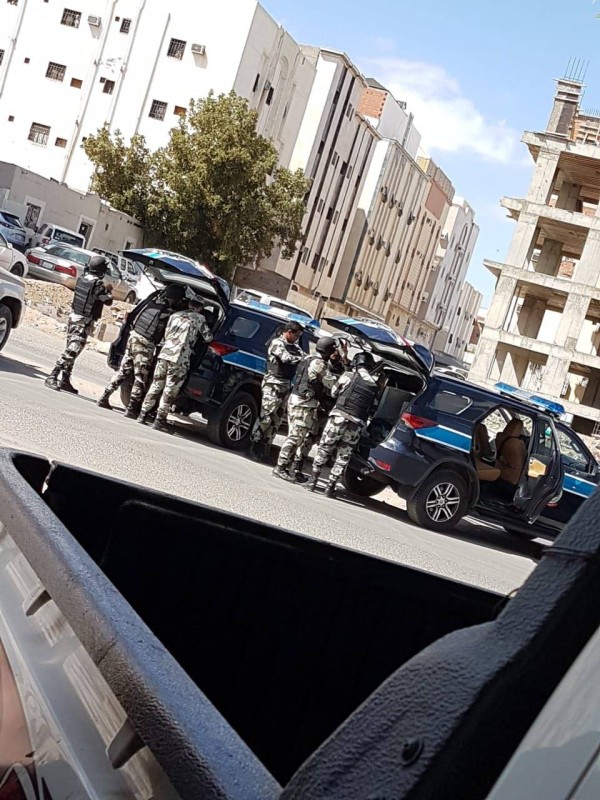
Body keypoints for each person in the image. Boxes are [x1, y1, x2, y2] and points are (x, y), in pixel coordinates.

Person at [97, 283, 186, 418]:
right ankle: (132, 408)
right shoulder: (167, 311)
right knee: (140, 377)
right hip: (145, 344)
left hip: (133, 338)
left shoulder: (152, 302)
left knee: (123, 371)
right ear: (176, 298)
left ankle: (104, 397)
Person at [308, 350, 383, 497]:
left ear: (356, 363)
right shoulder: (374, 386)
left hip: (338, 417)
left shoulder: (349, 375)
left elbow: (334, 392)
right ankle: (330, 488)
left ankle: (313, 481)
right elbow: (373, 405)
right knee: (343, 456)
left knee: (325, 448)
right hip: (356, 424)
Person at [138, 297, 213, 432]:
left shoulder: (175, 315)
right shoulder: (199, 318)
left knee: (156, 385)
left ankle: (143, 414)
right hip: (179, 358)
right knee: (170, 390)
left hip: (164, 354)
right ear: (201, 308)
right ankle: (159, 420)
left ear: (189, 304)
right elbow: (208, 337)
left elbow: (167, 334)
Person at [273, 336, 338, 483]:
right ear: (328, 351)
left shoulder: (308, 358)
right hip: (304, 403)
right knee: (296, 437)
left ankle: (287, 467)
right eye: (332, 350)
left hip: (297, 400)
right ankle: (280, 467)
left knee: (297, 436)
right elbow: (331, 384)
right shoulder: (319, 364)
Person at [44, 256, 113, 394]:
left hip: (74, 318)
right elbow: (108, 301)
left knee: (72, 349)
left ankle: (65, 379)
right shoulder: (98, 285)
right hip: (83, 322)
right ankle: (53, 375)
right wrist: (109, 290)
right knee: (73, 350)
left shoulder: (82, 279)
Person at [249, 321, 304, 461]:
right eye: (296, 335)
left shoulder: (295, 347)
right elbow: (286, 359)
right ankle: (254, 445)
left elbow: (303, 357)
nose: (297, 338)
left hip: (286, 386)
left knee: (276, 420)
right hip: (273, 385)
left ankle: (265, 447)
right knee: (266, 417)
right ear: (289, 332)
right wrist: (301, 360)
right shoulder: (277, 343)